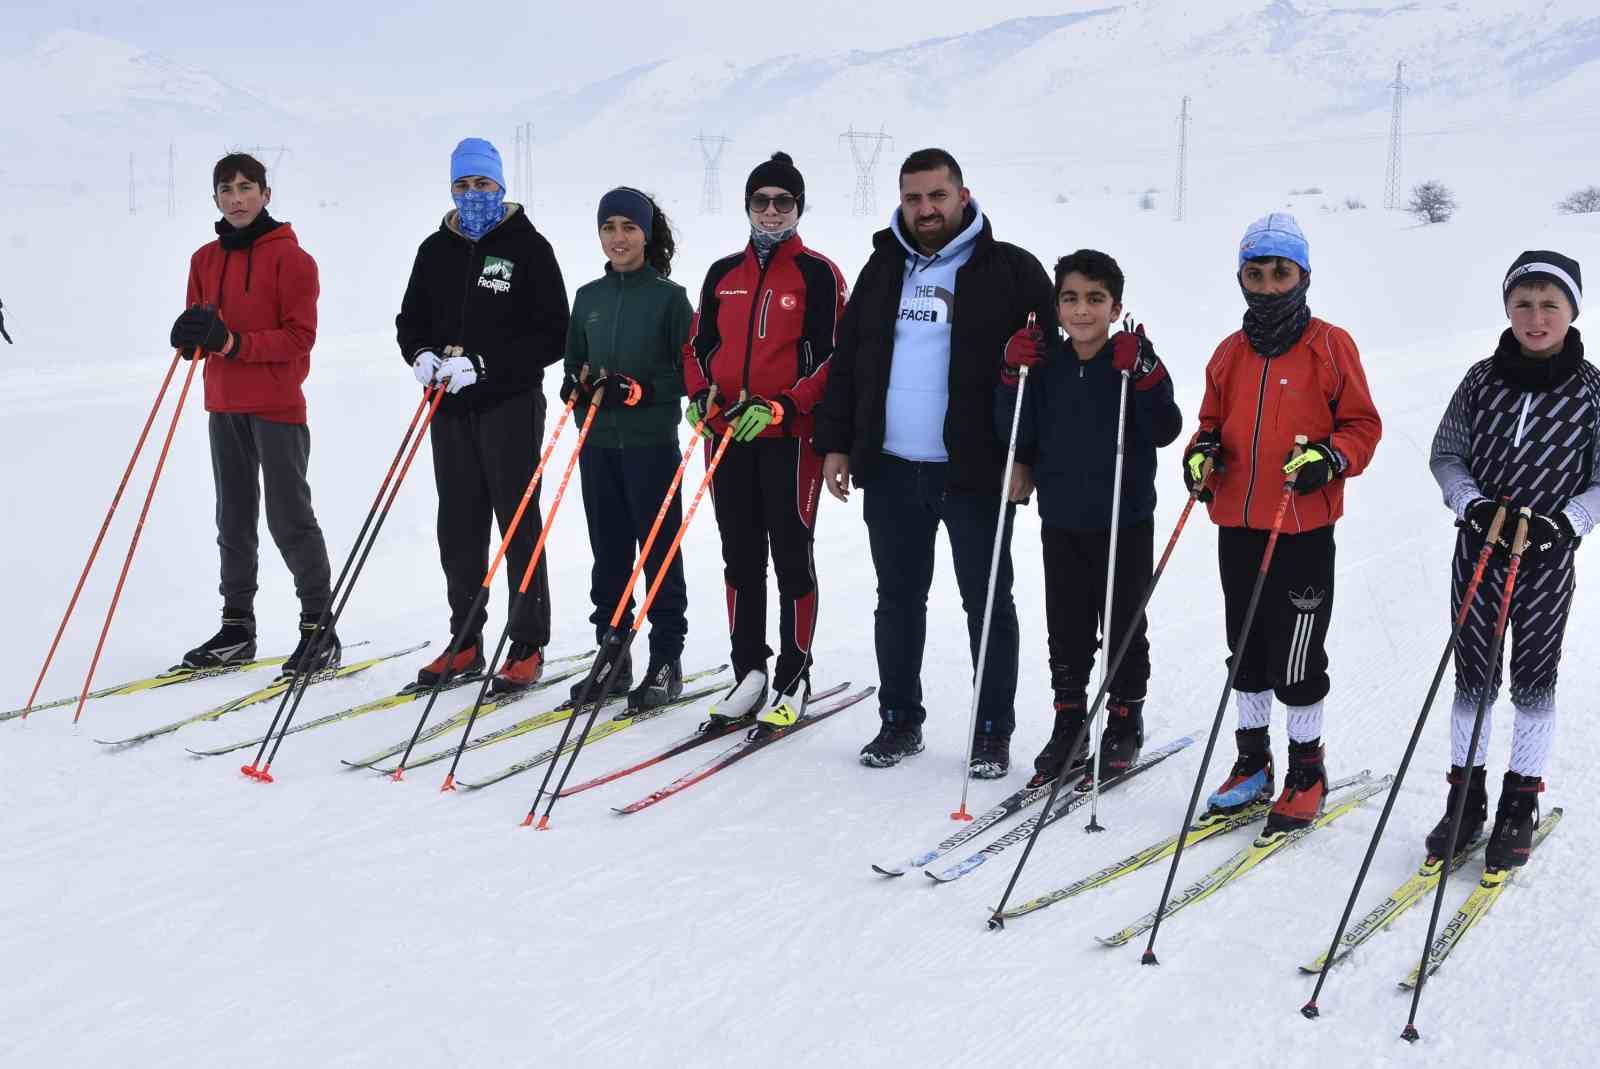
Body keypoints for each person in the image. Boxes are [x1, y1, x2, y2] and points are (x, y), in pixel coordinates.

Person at [814, 148, 1055, 778]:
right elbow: (849, 360)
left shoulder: (1011, 271)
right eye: (913, 198)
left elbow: (1042, 374)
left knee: (987, 603)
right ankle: (899, 720)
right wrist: (837, 442)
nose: (925, 210)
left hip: (974, 470)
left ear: (963, 195)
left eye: (936, 197)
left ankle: (992, 731)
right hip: (892, 466)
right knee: (897, 599)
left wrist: (1025, 457)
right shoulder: (882, 267)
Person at [1183, 212, 1382, 833]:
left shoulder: (1330, 344)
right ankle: (1252, 764)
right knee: (1244, 645)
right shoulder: (1229, 352)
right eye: (1256, 272)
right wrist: (1202, 454)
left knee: (1296, 653)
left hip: (1300, 526)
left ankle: (1306, 770)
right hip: (1237, 521)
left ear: (1303, 276)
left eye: (1281, 272)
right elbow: (1210, 423)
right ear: (1241, 277)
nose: (1268, 284)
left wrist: (1332, 456)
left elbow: (1363, 425)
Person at [1427, 250, 1595, 868]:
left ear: (1572, 311)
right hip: (1480, 548)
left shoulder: (1593, 391)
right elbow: (1447, 454)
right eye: (1523, 302)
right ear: (1507, 307)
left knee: (1533, 676)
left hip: (1547, 555)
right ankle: (1465, 799)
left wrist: (1569, 522)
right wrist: (1469, 504)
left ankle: (1519, 800)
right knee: (1473, 677)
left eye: (1550, 303)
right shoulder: (1480, 379)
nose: (1536, 315)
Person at [998, 250, 1182, 789]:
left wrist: (1146, 371)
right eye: (1071, 299)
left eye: (1095, 300)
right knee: (1067, 623)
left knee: (1124, 617)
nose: (1082, 311)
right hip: (1062, 514)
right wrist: (1012, 373)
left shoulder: (1130, 361)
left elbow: (1166, 426)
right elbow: (1013, 426)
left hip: (1124, 517)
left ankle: (1125, 717)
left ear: (1115, 305)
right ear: (1056, 306)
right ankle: (1069, 719)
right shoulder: (1045, 362)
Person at [395, 138, 569, 694]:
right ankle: (465, 639)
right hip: (449, 405)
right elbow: (410, 319)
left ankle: (527, 642)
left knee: (517, 522)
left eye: (483, 185)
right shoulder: (434, 249)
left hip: (509, 402)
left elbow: (554, 334)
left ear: (501, 187)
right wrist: (419, 354)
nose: (474, 195)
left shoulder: (529, 248)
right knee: (460, 524)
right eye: (463, 185)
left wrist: (486, 365)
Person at [684, 152, 846, 732]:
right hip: (728, 437)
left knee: (791, 555)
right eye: (762, 201)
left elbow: (832, 358)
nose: (771, 211)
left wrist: (787, 404)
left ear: (798, 208)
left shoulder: (818, 274)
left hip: (790, 439)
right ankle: (748, 670)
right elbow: (697, 346)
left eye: (783, 201)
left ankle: (794, 674)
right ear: (747, 206)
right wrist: (701, 395)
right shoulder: (722, 273)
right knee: (739, 554)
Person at [172, 153, 337, 675]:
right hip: (223, 404)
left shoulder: (294, 260)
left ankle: (319, 627)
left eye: (247, 187)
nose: (237, 198)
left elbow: (299, 337)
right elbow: (204, 335)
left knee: (289, 518)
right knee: (233, 517)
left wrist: (232, 341)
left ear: (267, 194)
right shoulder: (204, 259)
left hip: (277, 404)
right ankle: (237, 627)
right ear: (215, 198)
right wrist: (190, 340)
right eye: (226, 189)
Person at [559, 187, 694, 710]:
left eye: (629, 228)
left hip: (650, 445)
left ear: (646, 234)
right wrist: (574, 386)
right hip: (598, 445)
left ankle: (666, 658)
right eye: (609, 227)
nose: (619, 238)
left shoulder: (669, 298)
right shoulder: (588, 297)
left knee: (658, 552)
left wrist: (637, 390)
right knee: (609, 553)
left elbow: (686, 371)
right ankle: (612, 654)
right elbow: (574, 359)